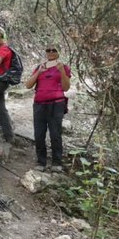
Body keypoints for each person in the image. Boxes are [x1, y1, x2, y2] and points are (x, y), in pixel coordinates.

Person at [25, 45, 72, 173]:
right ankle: (41, 162)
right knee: (39, 134)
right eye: (48, 50)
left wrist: (61, 70)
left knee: (55, 133)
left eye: (54, 50)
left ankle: (57, 162)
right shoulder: (39, 67)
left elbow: (66, 87)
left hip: (56, 104)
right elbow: (28, 85)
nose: (51, 52)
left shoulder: (64, 67)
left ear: (58, 53)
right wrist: (39, 72)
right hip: (39, 104)